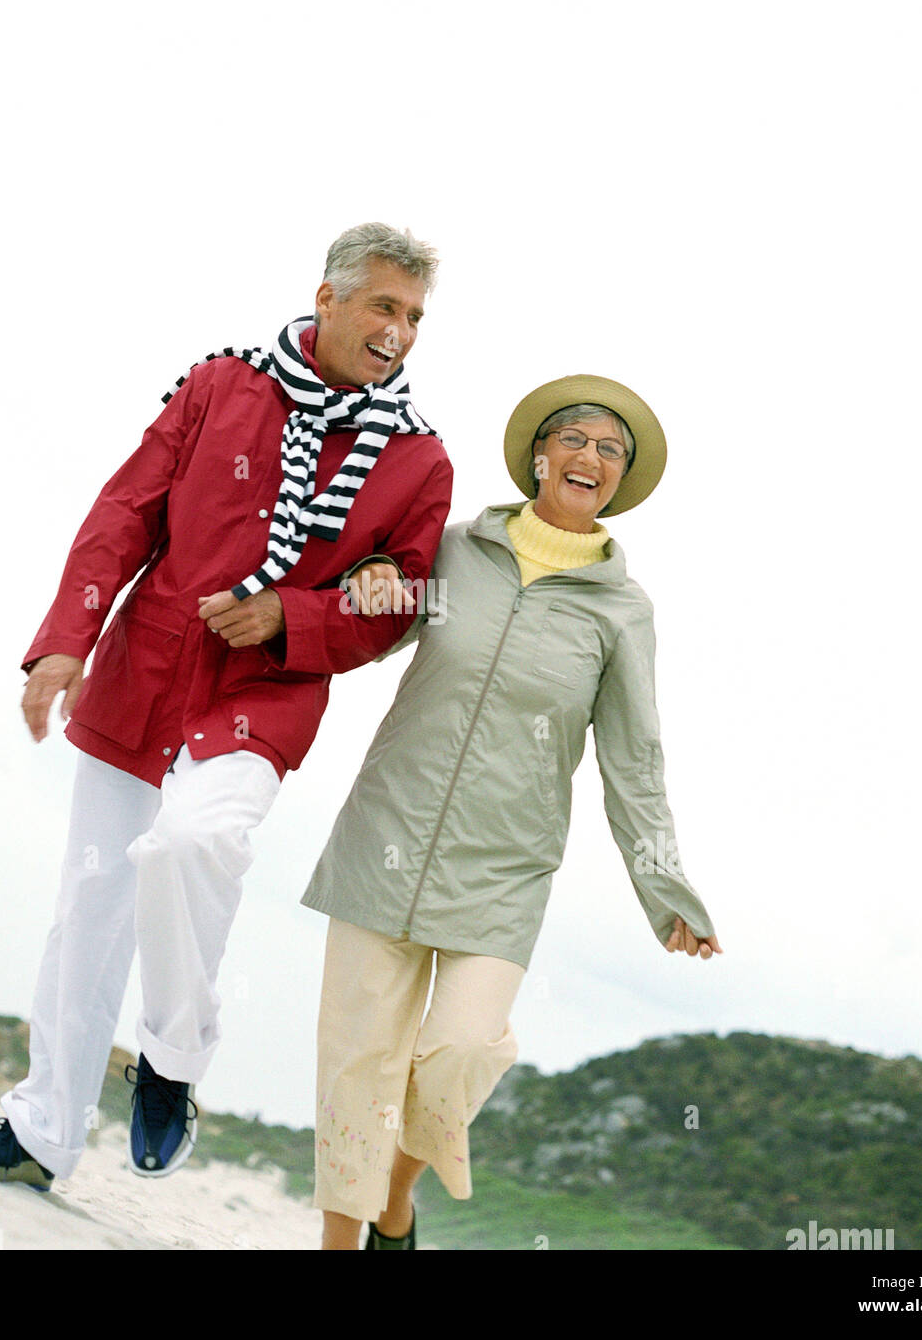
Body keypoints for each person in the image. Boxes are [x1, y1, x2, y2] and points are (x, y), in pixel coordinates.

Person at [0, 223, 453, 1192]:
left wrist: (291, 614)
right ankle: (41, 1129)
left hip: (264, 696)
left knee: (191, 842)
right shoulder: (221, 383)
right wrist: (62, 641)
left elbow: (400, 604)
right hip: (147, 670)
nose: (400, 331)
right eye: (384, 306)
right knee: (90, 903)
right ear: (329, 297)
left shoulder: (419, 461)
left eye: (416, 316)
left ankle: (171, 1060)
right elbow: (126, 510)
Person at [304, 374, 722, 1249]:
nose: (591, 457)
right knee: (356, 1062)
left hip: (506, 868)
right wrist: (369, 571)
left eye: (612, 451)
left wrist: (666, 887)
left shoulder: (621, 612)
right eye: (576, 438)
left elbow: (632, 761)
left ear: (617, 484)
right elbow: (358, 619)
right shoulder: (456, 551)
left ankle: (397, 1197)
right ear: (540, 454)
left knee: (459, 1049)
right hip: (387, 830)